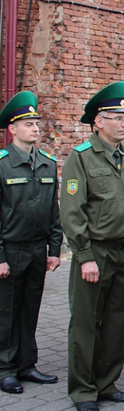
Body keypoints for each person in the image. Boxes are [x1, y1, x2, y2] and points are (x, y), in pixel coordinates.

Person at [60, 81, 124, 411]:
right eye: (117, 117)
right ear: (98, 122)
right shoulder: (81, 158)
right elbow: (73, 211)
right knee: (86, 322)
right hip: (95, 252)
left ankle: (107, 383)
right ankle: (83, 390)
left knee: (116, 321)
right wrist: (84, 256)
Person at [0, 91, 62, 395]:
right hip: (11, 249)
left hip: (38, 249)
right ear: (12, 129)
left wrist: (54, 250)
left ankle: (27, 364)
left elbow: (53, 211)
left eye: (36, 123)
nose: (35, 128)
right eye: (28, 124)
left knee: (30, 308)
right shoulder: (2, 165)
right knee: (7, 312)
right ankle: (5, 368)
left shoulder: (47, 164)